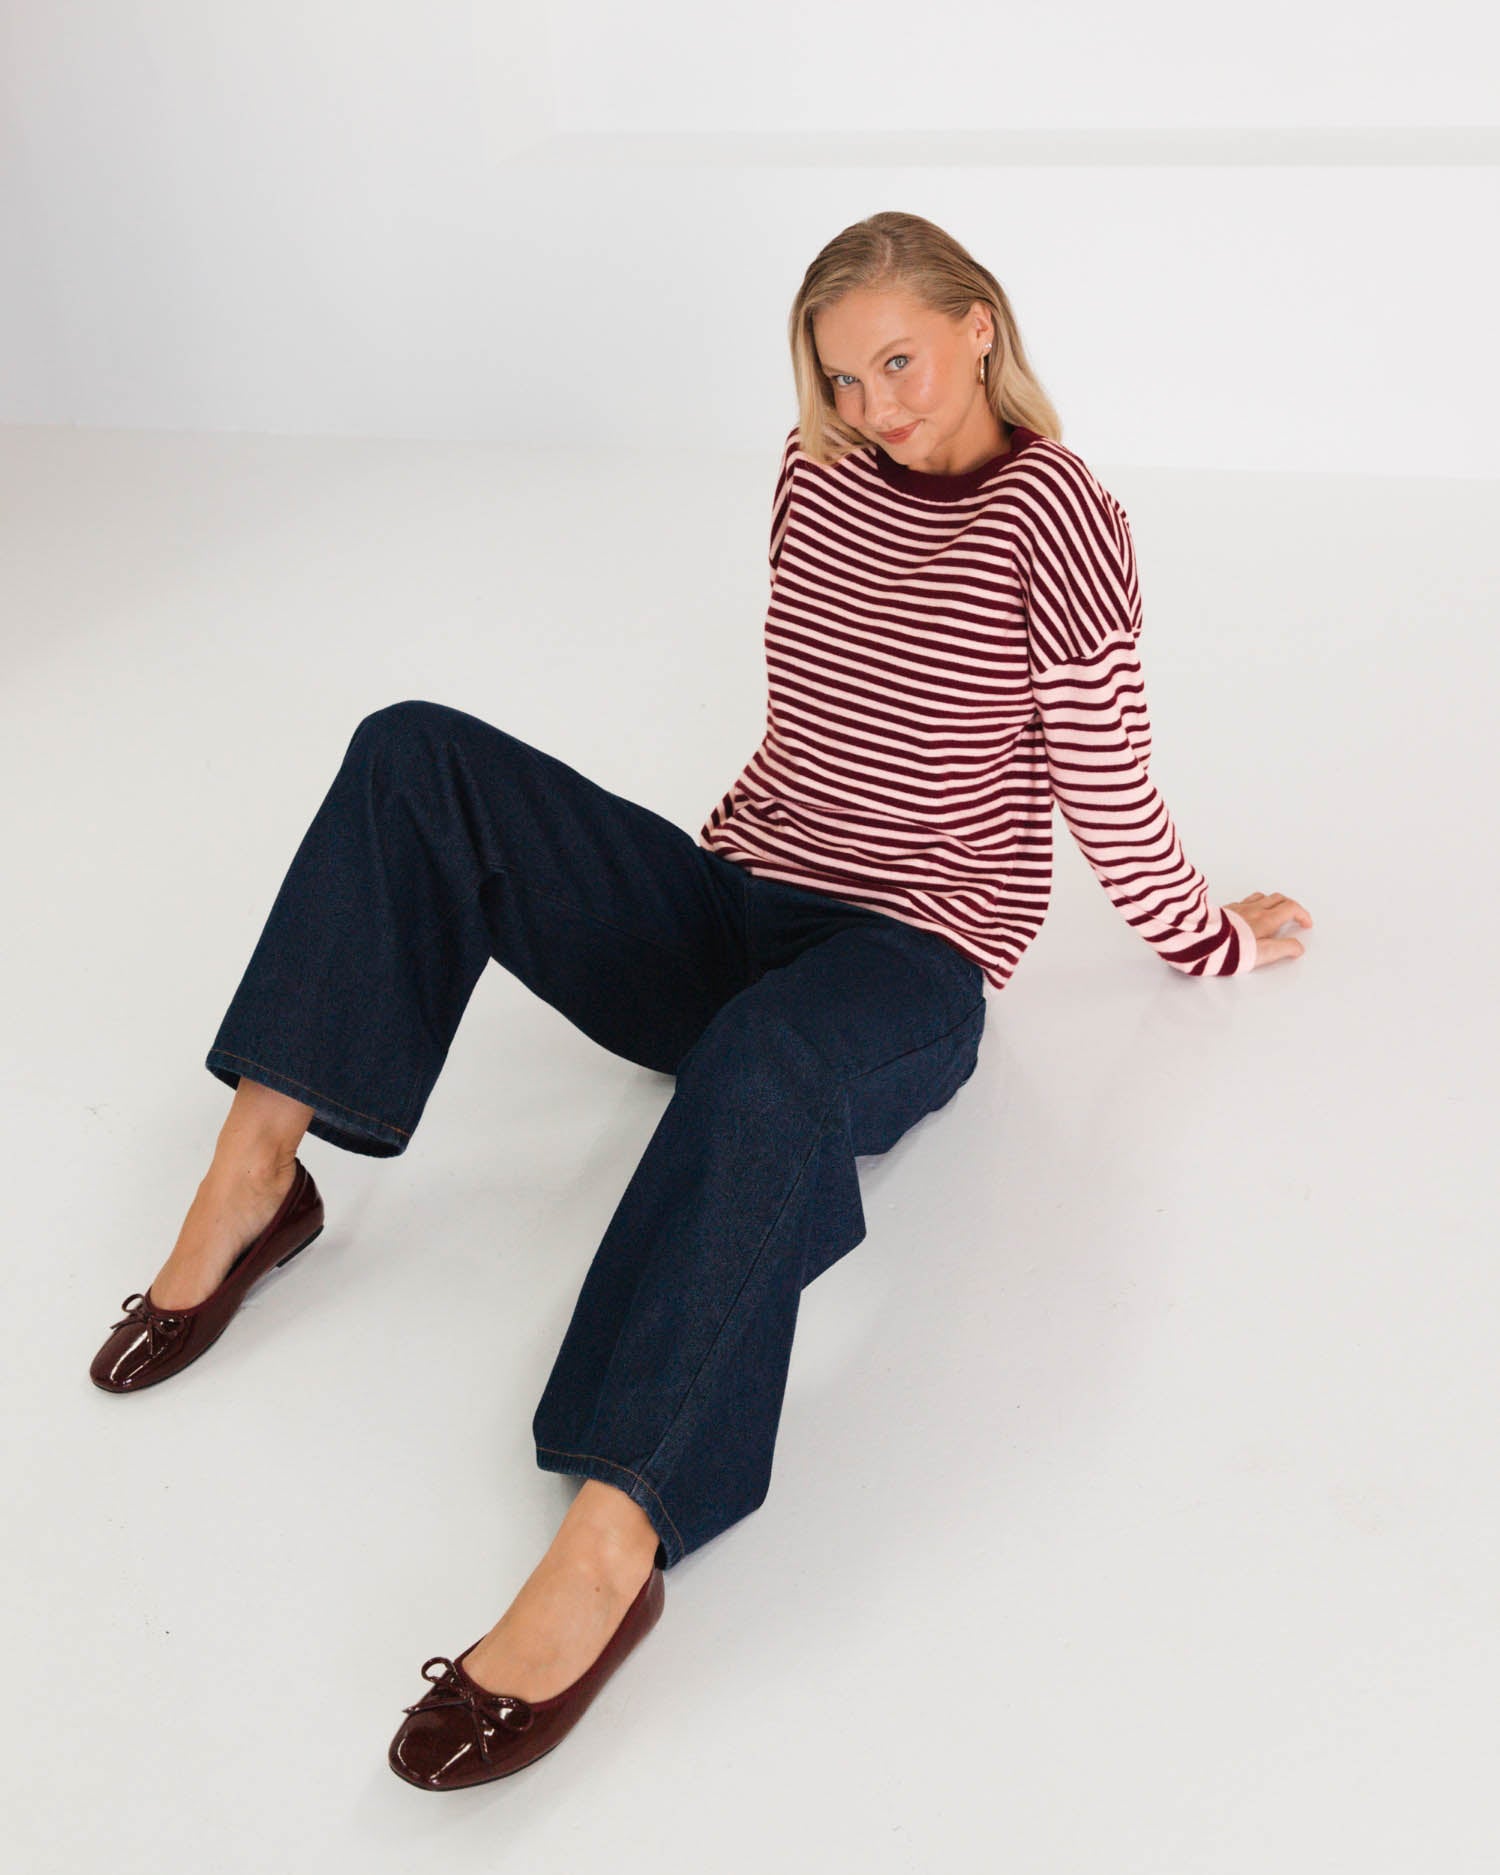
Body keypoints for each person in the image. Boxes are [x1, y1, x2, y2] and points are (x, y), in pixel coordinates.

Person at [87, 210, 1313, 1791]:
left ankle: (615, 1537)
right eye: (841, 377)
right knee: (414, 752)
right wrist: (699, 887)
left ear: (981, 328)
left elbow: (1105, 783)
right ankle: (258, 1176)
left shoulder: (1060, 517)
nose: (874, 406)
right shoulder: (816, 472)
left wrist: (1210, 941)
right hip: (733, 901)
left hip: (909, 960)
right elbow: (821, 719)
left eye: (900, 362)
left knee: (771, 1058)